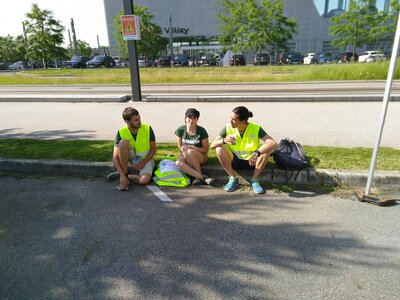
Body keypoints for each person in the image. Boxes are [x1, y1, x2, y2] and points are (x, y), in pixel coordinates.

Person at [210, 106, 277, 194]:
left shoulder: (255, 128)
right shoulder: (228, 127)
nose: (230, 121)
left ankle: (254, 180)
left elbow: (273, 143)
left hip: (252, 161)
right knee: (219, 148)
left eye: (234, 119)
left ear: (243, 121)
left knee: (266, 151)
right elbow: (212, 145)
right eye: (230, 118)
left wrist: (257, 153)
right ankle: (233, 178)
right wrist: (224, 140)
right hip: (235, 161)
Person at [107, 107, 157, 191]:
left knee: (144, 180)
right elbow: (115, 158)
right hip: (132, 159)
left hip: (146, 159)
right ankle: (124, 175)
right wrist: (123, 174)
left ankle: (125, 176)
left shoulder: (147, 128)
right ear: (127, 121)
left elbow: (153, 149)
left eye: (139, 118)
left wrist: (143, 163)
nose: (139, 121)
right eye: (136, 120)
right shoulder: (121, 131)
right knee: (123, 143)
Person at [174, 108, 214, 185]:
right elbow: (180, 147)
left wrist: (192, 148)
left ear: (197, 120)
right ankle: (202, 177)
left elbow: (206, 149)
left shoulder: (201, 130)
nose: (191, 120)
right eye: (189, 117)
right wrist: (186, 154)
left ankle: (197, 177)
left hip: (201, 156)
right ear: (185, 118)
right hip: (184, 155)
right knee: (178, 162)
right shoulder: (180, 130)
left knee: (190, 152)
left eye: (194, 118)